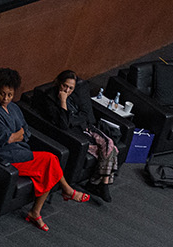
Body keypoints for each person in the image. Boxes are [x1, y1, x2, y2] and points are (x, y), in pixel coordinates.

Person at [0, 67, 88, 230]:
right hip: (6, 157)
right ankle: (65, 191)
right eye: (2, 94)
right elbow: (7, 139)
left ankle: (37, 211)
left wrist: (17, 135)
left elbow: (25, 132)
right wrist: (17, 135)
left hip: (20, 151)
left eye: (10, 95)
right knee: (50, 160)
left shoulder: (14, 108)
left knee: (51, 162)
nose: (6, 98)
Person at [31, 70, 121, 202]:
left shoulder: (74, 96)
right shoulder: (50, 98)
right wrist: (63, 102)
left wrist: (73, 119)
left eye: (71, 88)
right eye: (65, 86)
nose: (67, 90)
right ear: (59, 83)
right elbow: (63, 124)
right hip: (75, 134)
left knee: (109, 143)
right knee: (108, 149)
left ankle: (101, 182)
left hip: (86, 128)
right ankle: (102, 184)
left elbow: (85, 114)